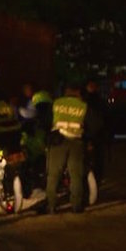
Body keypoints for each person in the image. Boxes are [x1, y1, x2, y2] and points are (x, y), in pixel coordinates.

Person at [45, 81, 89, 214]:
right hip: (76, 142)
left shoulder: (57, 103)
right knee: (76, 175)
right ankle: (76, 206)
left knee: (53, 175)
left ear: (66, 91)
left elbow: (47, 120)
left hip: (58, 141)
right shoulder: (83, 105)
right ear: (78, 92)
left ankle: (51, 206)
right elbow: (93, 124)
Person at [83, 78, 109, 183]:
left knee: (97, 158)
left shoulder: (96, 100)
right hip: (90, 133)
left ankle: (95, 178)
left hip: (95, 133)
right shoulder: (86, 100)